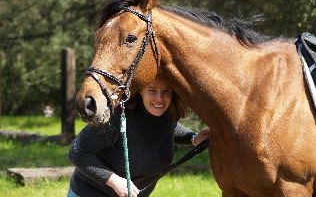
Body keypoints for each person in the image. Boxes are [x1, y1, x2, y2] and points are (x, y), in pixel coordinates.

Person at [67, 76, 210, 197]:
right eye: (152, 90)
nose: (159, 98)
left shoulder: (166, 114)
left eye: (166, 91)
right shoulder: (117, 117)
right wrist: (114, 181)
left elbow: (170, 129)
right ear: (140, 90)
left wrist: (193, 138)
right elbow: (77, 151)